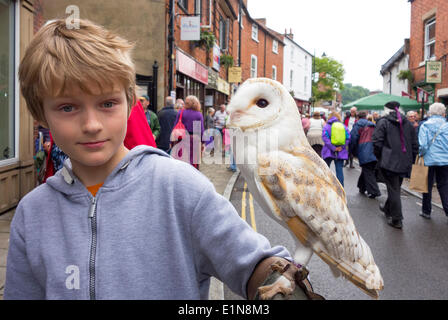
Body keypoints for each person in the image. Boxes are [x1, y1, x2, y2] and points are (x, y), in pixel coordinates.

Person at [5, 18, 319, 301]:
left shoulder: (180, 188)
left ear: (130, 104)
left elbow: (252, 263)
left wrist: (277, 281)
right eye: (68, 107)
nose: (91, 124)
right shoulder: (32, 214)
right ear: (39, 113)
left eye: (107, 103)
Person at [372, 101, 418, 229]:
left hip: (389, 161)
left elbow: (376, 142)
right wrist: (411, 159)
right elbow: (415, 144)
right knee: (395, 187)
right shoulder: (407, 123)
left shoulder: (383, 122)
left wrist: (380, 156)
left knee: (394, 189)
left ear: (386, 110)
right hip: (404, 161)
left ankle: (397, 219)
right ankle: (387, 208)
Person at [417, 102, 448, 220]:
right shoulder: (446, 125)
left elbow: (423, 145)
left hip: (429, 159)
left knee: (427, 185)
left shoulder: (425, 125)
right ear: (443, 113)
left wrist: (421, 154)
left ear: (430, 112)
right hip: (445, 160)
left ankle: (426, 211)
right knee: (444, 185)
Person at [350, 111, 381, 199]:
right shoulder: (373, 125)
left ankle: (374, 191)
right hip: (374, 149)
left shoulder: (358, 125)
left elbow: (353, 138)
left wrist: (352, 151)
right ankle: (361, 187)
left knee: (368, 170)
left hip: (364, 148)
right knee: (367, 168)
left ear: (357, 117)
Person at [172, 95, 204, 170]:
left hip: (181, 139)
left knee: (181, 158)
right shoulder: (198, 115)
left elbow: (175, 127)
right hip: (194, 139)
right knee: (193, 160)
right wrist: (202, 142)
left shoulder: (181, 113)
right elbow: (200, 130)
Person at [322, 111, 350, 187]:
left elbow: (325, 138)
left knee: (326, 170)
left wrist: (333, 148)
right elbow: (348, 138)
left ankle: (325, 186)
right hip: (341, 151)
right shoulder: (343, 126)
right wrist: (341, 147)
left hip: (328, 151)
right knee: (339, 170)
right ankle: (341, 188)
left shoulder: (327, 126)